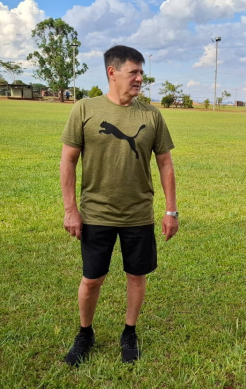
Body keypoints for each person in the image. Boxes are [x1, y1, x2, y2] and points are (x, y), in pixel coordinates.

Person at [60, 45, 179, 365]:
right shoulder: (85, 109)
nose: (140, 78)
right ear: (112, 73)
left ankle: (130, 331)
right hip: (96, 212)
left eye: (141, 72)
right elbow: (68, 161)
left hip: (138, 213)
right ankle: (85, 333)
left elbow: (166, 164)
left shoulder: (151, 114)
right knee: (92, 278)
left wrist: (171, 210)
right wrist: (71, 209)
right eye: (134, 72)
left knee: (136, 275)